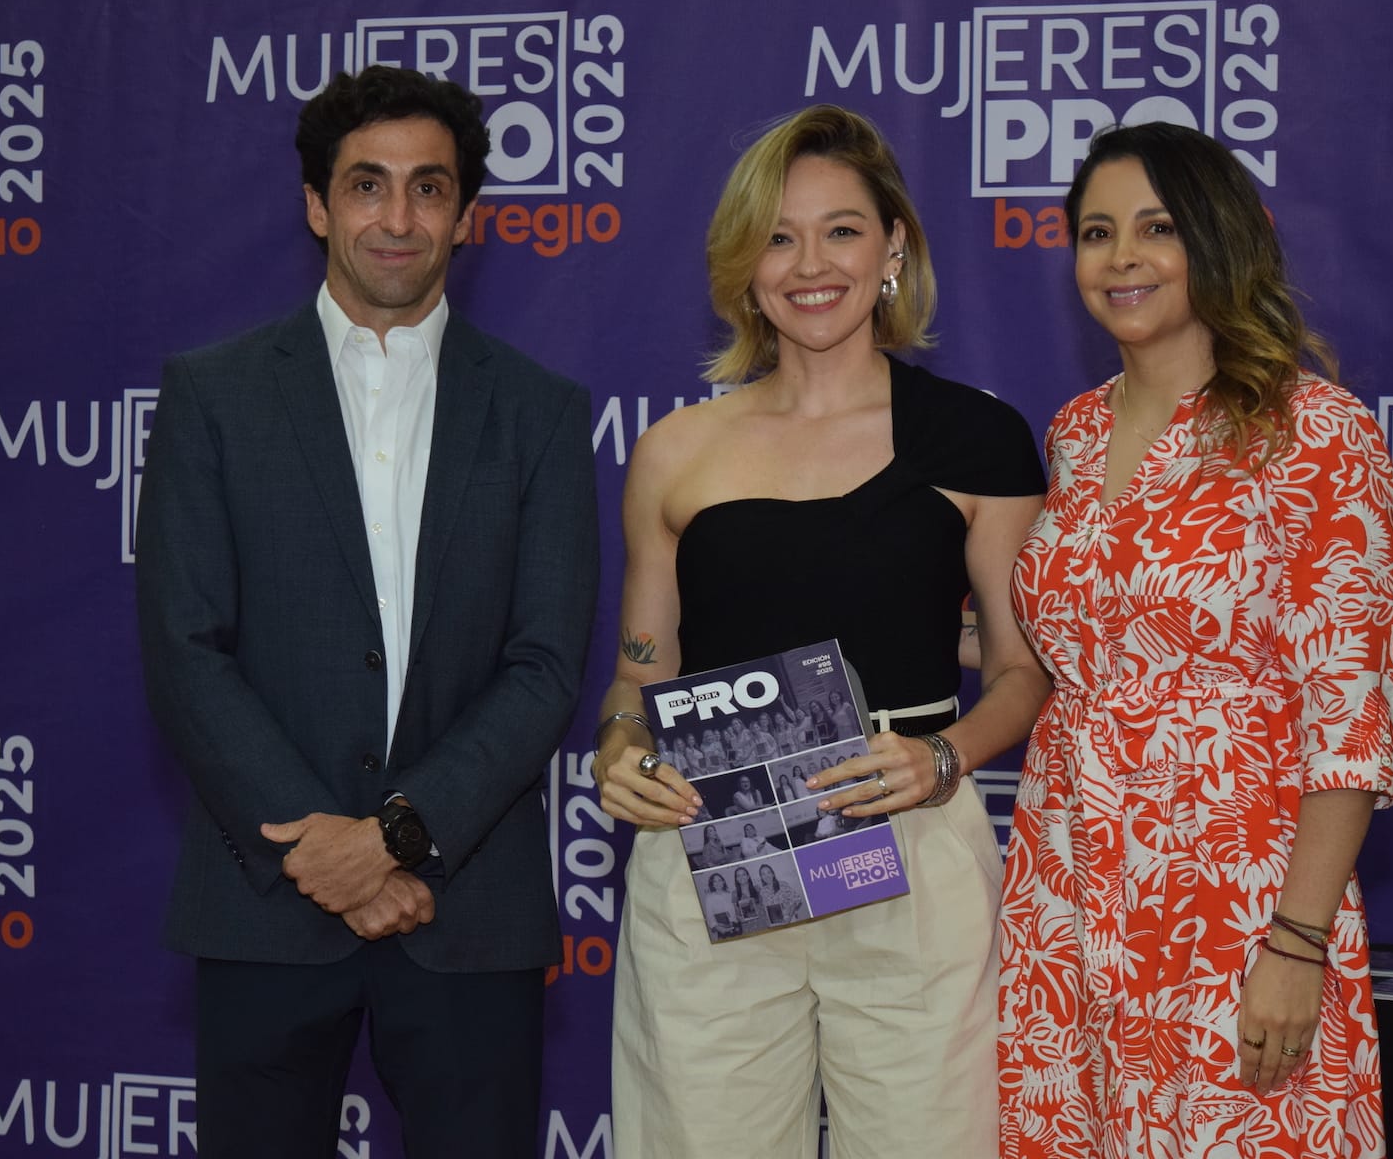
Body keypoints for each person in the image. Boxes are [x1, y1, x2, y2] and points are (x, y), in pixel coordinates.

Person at [134, 65, 597, 1159]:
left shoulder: (540, 411)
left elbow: (543, 665)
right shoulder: (214, 396)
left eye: (428, 188)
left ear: (466, 215)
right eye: (366, 185)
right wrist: (323, 852)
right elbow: (186, 649)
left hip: (466, 910)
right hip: (267, 902)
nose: (397, 218)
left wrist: (394, 840)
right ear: (316, 204)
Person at [591, 104, 1050, 1159]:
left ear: (893, 247)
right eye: (778, 238)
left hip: (912, 843)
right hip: (712, 849)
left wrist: (942, 758)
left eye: (841, 230)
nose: (810, 265)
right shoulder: (675, 452)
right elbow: (637, 676)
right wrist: (620, 750)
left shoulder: (976, 440)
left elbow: (1022, 671)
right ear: (743, 266)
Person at [997, 121, 1393, 1158]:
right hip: (1066, 886)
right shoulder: (1075, 432)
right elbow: (1080, 643)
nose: (1121, 258)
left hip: (1235, 895)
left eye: (1157, 228)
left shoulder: (1316, 433)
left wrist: (1298, 944)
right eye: (1097, 232)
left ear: (1219, 240)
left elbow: (1349, 719)